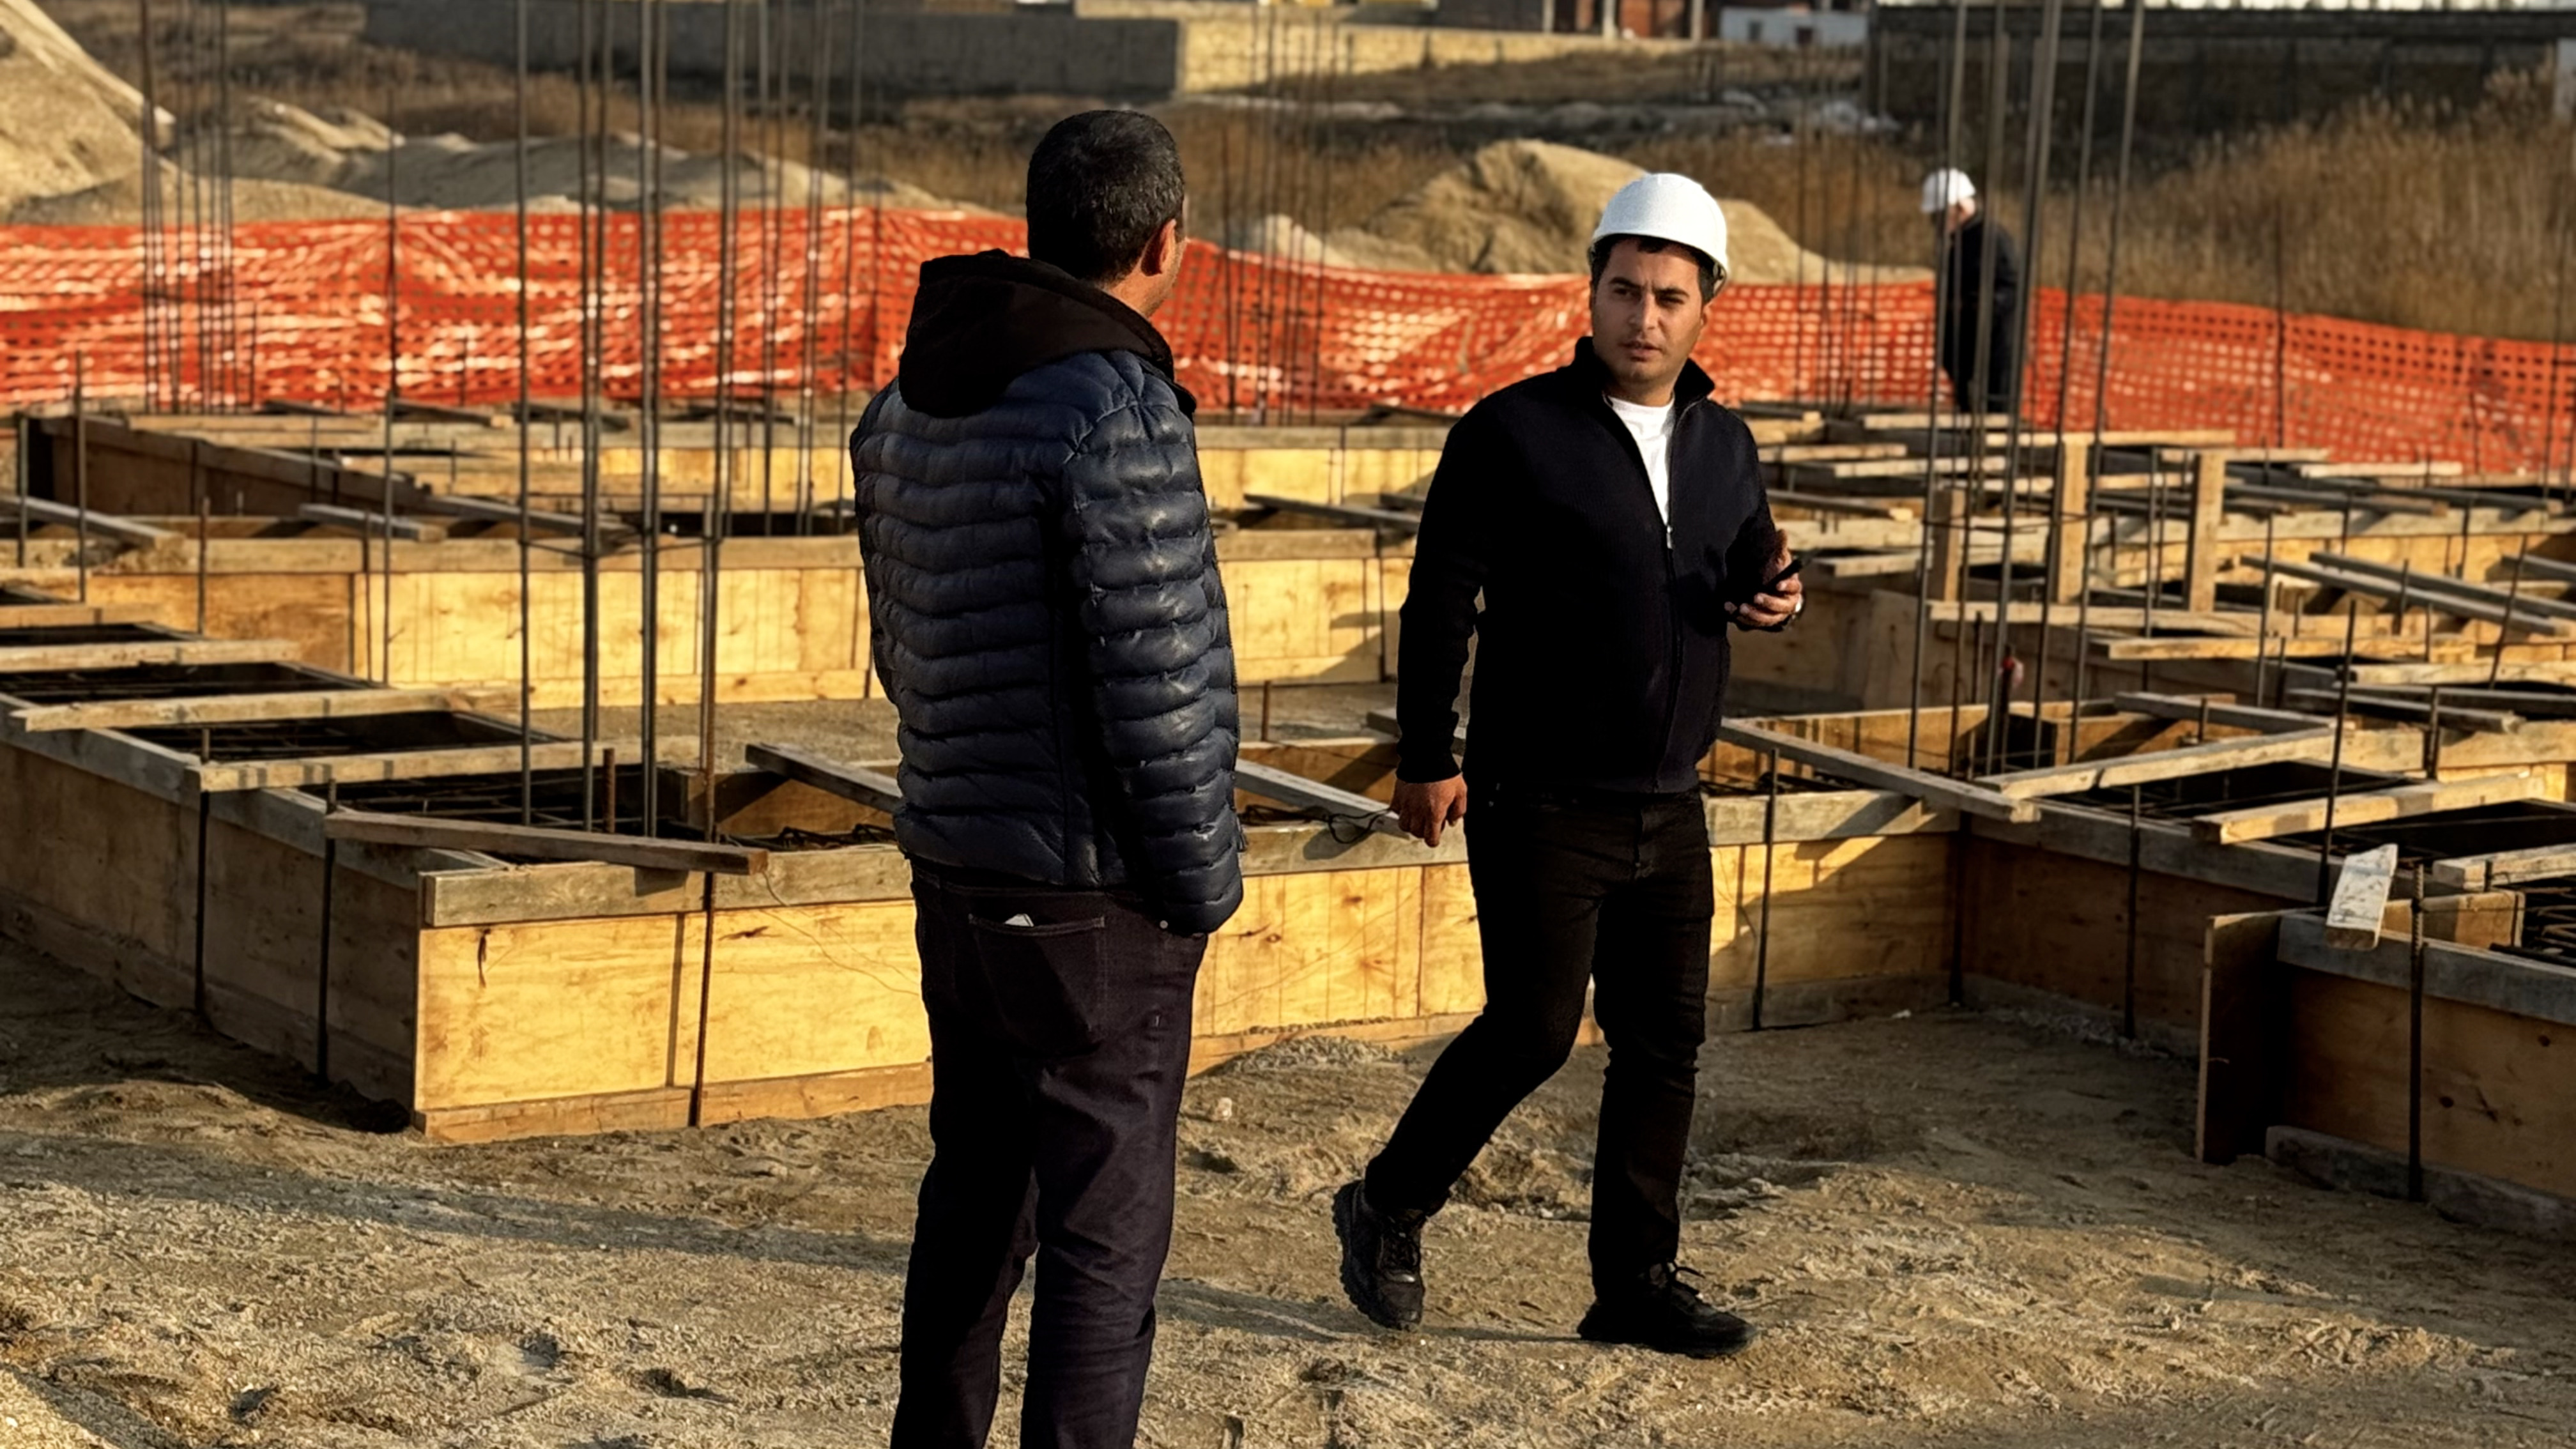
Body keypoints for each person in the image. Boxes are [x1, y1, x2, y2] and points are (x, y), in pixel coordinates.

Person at [1332, 172, 1803, 1360]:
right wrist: (1426, 752)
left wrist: (1775, 595)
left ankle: (1634, 1283)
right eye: (1625, 291)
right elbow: (1441, 597)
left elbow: (1747, 562)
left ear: (1706, 308)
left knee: (1664, 1044)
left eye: (1669, 298)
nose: (1644, 318)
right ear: (1590, 292)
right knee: (1534, 1029)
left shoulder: (1725, 443)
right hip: (1540, 793)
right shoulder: (1512, 432)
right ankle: (1388, 1200)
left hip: (1671, 798)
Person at [850, 110, 1242, 1449]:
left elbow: (904, 648)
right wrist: (1200, 886)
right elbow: (1162, 683)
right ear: (1164, 242)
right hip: (1092, 903)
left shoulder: (907, 403)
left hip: (959, 865)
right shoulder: (1115, 410)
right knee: (1101, 1245)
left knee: (974, 1200)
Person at [1922, 167, 2023, 414]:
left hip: (1993, 354)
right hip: (1969, 354)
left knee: (1994, 419)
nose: (1936, 224)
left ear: (1958, 208)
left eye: (1939, 216)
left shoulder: (1993, 240)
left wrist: (1972, 305)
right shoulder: (1962, 242)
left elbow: (2011, 290)